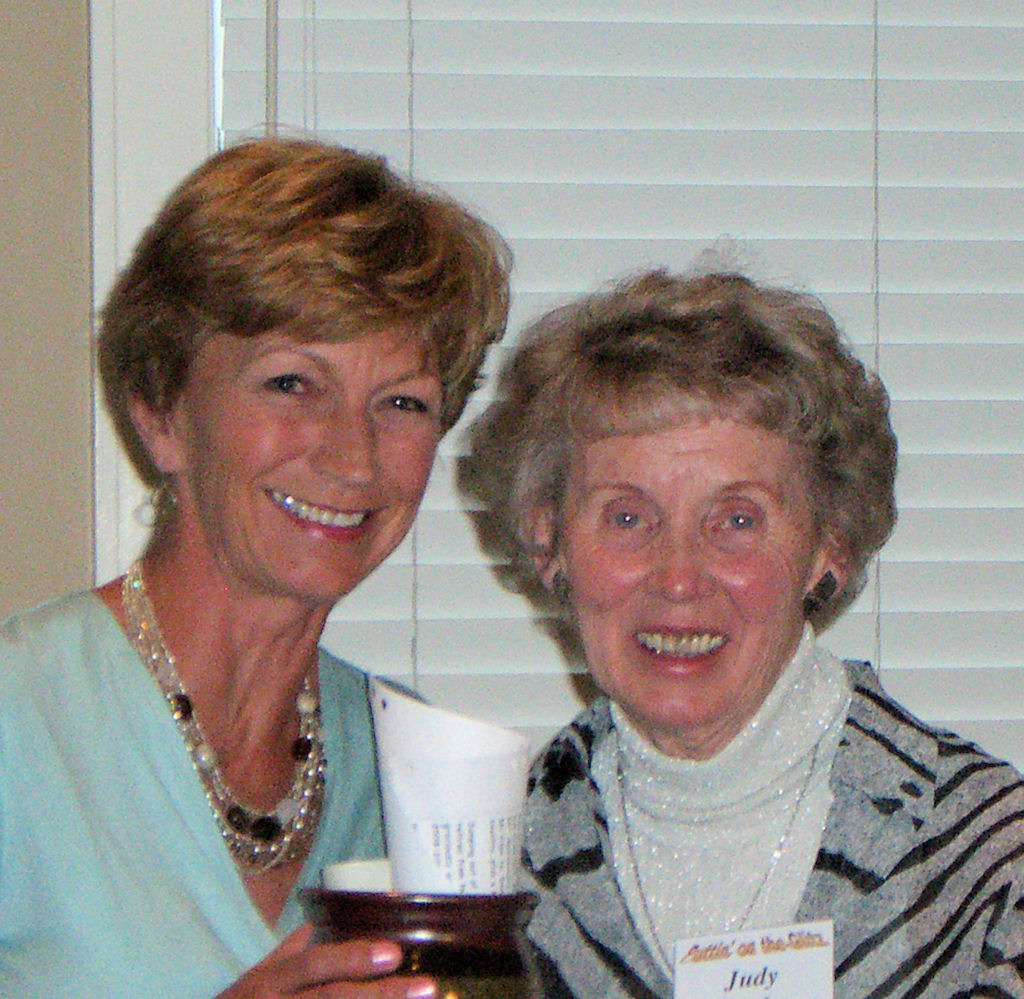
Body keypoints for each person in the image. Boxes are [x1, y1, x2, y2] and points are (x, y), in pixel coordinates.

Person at [0, 137, 510, 999]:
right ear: (162, 412)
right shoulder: (22, 721)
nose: (353, 456)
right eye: (291, 383)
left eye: (402, 402)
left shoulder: (413, 764)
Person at [462, 268, 1024, 998]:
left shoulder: (985, 859)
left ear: (829, 543)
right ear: (550, 543)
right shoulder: (492, 869)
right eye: (627, 517)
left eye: (736, 520)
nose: (678, 577)